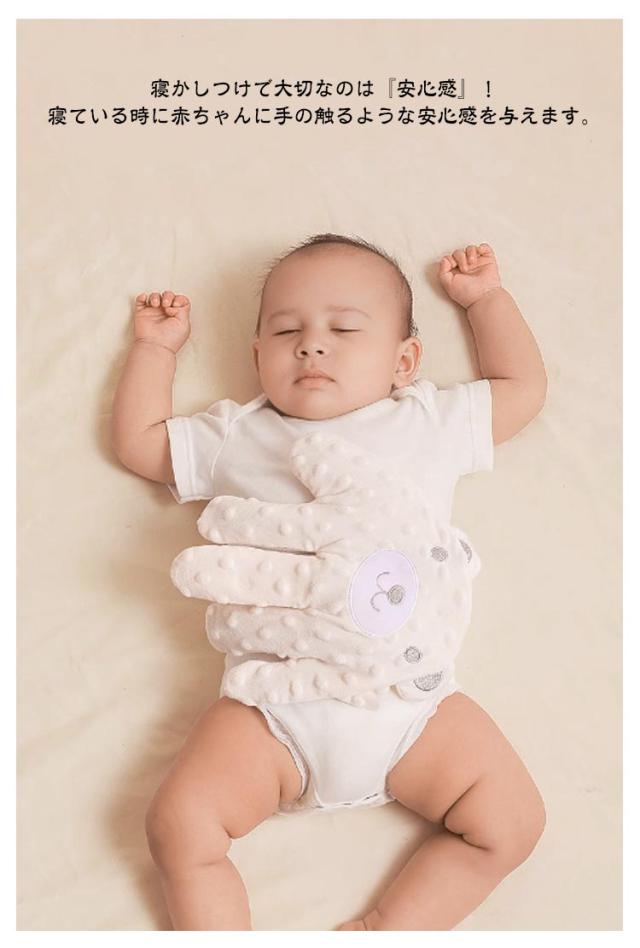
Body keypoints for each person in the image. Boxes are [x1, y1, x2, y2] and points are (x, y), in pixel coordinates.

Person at [111, 234, 548, 930]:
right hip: (270, 710)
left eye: (344, 330)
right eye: (287, 331)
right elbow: (140, 443)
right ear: (257, 356)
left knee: (514, 823)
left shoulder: (426, 421)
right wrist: (155, 351)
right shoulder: (237, 434)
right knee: (178, 826)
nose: (312, 344)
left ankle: (387, 930)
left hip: (410, 700)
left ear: (404, 361)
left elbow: (522, 389)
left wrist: (485, 302)